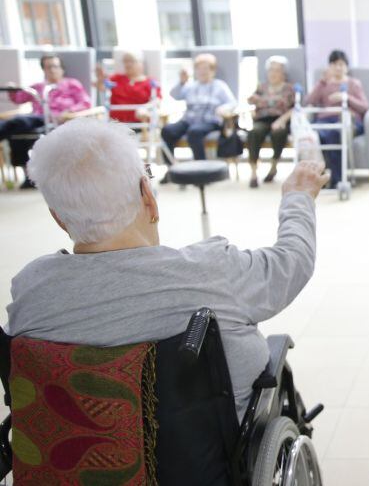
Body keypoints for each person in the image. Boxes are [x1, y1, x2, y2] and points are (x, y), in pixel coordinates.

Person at [6, 119, 330, 418]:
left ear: (58, 216)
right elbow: (292, 263)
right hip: (204, 465)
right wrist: (298, 198)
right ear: (148, 196)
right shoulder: (212, 270)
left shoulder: (30, 290)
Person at [1, 54, 95, 189]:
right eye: (48, 67)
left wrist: (68, 112)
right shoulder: (38, 87)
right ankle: (28, 175)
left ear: (62, 68)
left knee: (18, 124)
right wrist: (12, 89)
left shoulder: (71, 84)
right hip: (37, 119)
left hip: (56, 120)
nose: (52, 70)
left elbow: (85, 102)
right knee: (17, 133)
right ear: (43, 70)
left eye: (55, 66)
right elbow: (19, 99)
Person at [161, 53, 236, 175]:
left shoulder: (220, 86)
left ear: (213, 70)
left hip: (210, 121)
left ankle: (201, 170)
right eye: (199, 69)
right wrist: (181, 82)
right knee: (167, 131)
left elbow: (232, 102)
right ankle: (171, 169)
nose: (202, 72)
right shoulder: (190, 86)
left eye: (206, 68)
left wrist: (223, 108)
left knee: (194, 132)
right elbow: (174, 95)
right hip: (188, 120)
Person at [306, 49, 368, 188]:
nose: (338, 68)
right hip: (325, 121)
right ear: (329, 66)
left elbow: (364, 107)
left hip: (347, 121)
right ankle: (320, 177)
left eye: (341, 64)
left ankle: (337, 180)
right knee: (316, 136)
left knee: (335, 134)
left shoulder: (353, 84)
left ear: (346, 67)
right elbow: (309, 101)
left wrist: (346, 98)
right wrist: (321, 83)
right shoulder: (323, 84)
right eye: (334, 64)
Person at [247, 56, 295, 188]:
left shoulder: (289, 88)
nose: (273, 73)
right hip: (262, 118)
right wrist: (251, 101)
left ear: (283, 73)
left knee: (278, 133)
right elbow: (251, 101)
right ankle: (253, 173)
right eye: (271, 70)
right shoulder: (261, 87)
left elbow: (295, 109)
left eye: (277, 70)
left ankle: (273, 167)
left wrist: (281, 120)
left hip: (281, 119)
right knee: (254, 132)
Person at [96, 49, 160, 124]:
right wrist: (100, 80)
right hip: (116, 123)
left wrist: (145, 108)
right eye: (125, 61)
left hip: (140, 123)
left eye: (132, 61)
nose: (128, 64)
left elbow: (157, 101)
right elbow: (101, 88)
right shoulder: (116, 79)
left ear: (141, 63)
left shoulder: (150, 82)